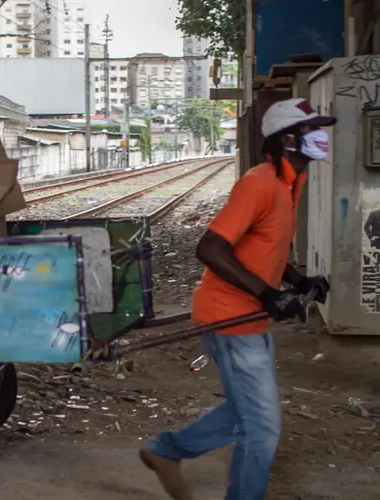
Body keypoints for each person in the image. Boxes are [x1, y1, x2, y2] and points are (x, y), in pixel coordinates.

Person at [139, 98, 336, 500]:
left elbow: (265, 245)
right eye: (313, 129)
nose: (322, 136)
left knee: (248, 411)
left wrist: (297, 281)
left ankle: (164, 451)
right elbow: (210, 248)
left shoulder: (290, 183)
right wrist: (267, 294)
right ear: (288, 140)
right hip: (229, 316)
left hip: (249, 317)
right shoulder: (260, 183)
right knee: (262, 424)